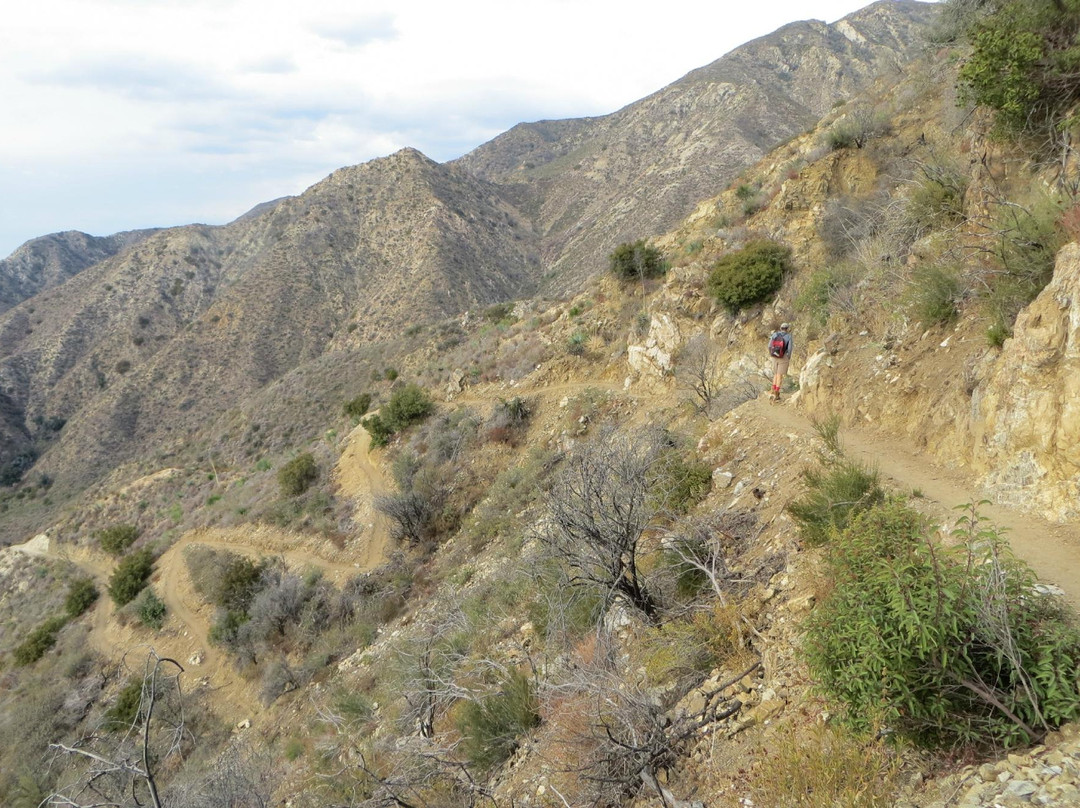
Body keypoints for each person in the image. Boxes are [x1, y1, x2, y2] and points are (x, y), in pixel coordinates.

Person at [767, 322, 792, 402]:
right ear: (787, 329)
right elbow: (790, 349)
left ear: (780, 328)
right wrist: (788, 357)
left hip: (774, 356)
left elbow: (769, 346)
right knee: (779, 375)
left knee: (775, 374)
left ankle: (772, 390)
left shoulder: (775, 335)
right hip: (783, 357)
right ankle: (776, 394)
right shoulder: (789, 336)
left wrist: (772, 354)